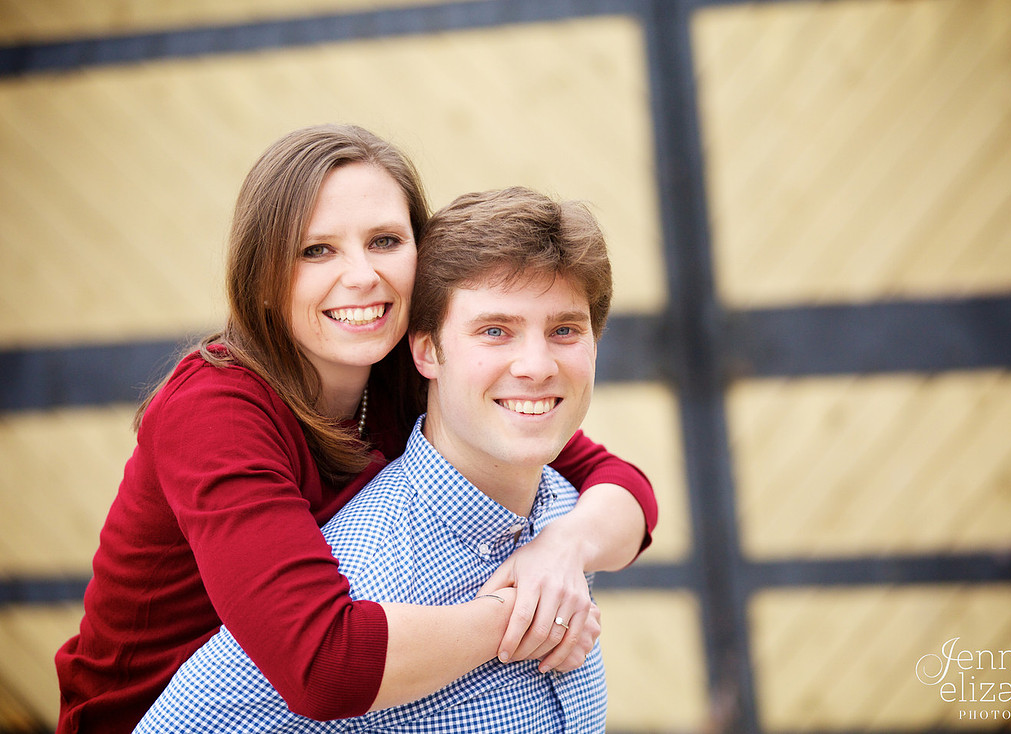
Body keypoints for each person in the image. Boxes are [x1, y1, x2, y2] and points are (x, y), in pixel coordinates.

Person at [54, 125, 658, 733]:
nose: (363, 275)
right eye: (317, 250)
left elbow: (618, 485)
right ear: (263, 276)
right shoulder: (214, 410)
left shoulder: (404, 364)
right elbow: (323, 666)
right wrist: (529, 610)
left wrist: (562, 550)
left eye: (385, 240)